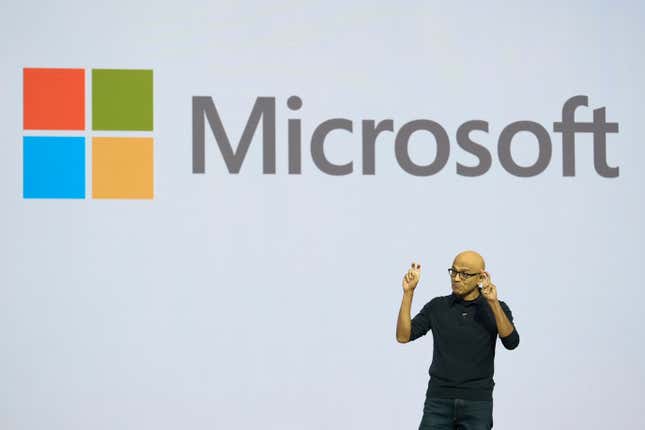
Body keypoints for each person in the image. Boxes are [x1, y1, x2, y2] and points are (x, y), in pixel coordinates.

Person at [396, 250, 519, 430]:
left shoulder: (496, 308)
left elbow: (511, 342)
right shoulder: (437, 307)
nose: (456, 278)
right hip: (438, 400)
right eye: (453, 271)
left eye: (465, 274)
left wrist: (493, 302)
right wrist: (408, 293)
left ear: (480, 277)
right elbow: (403, 336)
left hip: (477, 403)